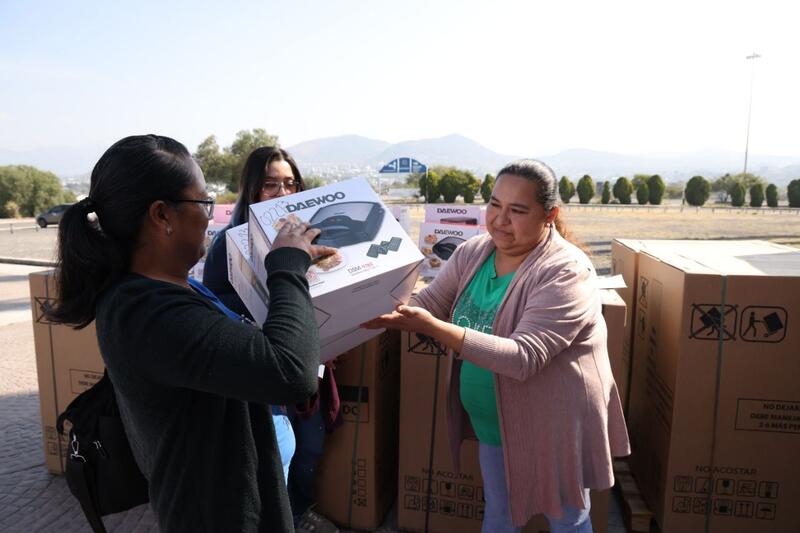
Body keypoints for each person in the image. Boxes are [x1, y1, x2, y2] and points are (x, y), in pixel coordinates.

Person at [47, 134, 333, 532]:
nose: (207, 217)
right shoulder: (147, 312)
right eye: (203, 204)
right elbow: (291, 372)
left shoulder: (169, 289)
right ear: (162, 215)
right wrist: (286, 263)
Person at [364, 159, 630, 532]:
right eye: (494, 205)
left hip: (552, 423)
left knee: (567, 518)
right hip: (494, 419)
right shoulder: (474, 252)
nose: (500, 220)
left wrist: (438, 330)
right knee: (500, 513)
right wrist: (367, 307)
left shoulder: (566, 270)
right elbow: (430, 303)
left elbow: (525, 356)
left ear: (549, 214)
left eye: (517, 210)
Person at [202, 146, 338, 532]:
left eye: (290, 184)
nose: (282, 194)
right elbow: (216, 306)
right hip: (261, 369)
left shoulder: (314, 238)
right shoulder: (229, 244)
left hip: (308, 360)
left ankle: (298, 511)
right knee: (276, 451)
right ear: (251, 190)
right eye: (270, 185)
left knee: (310, 444)